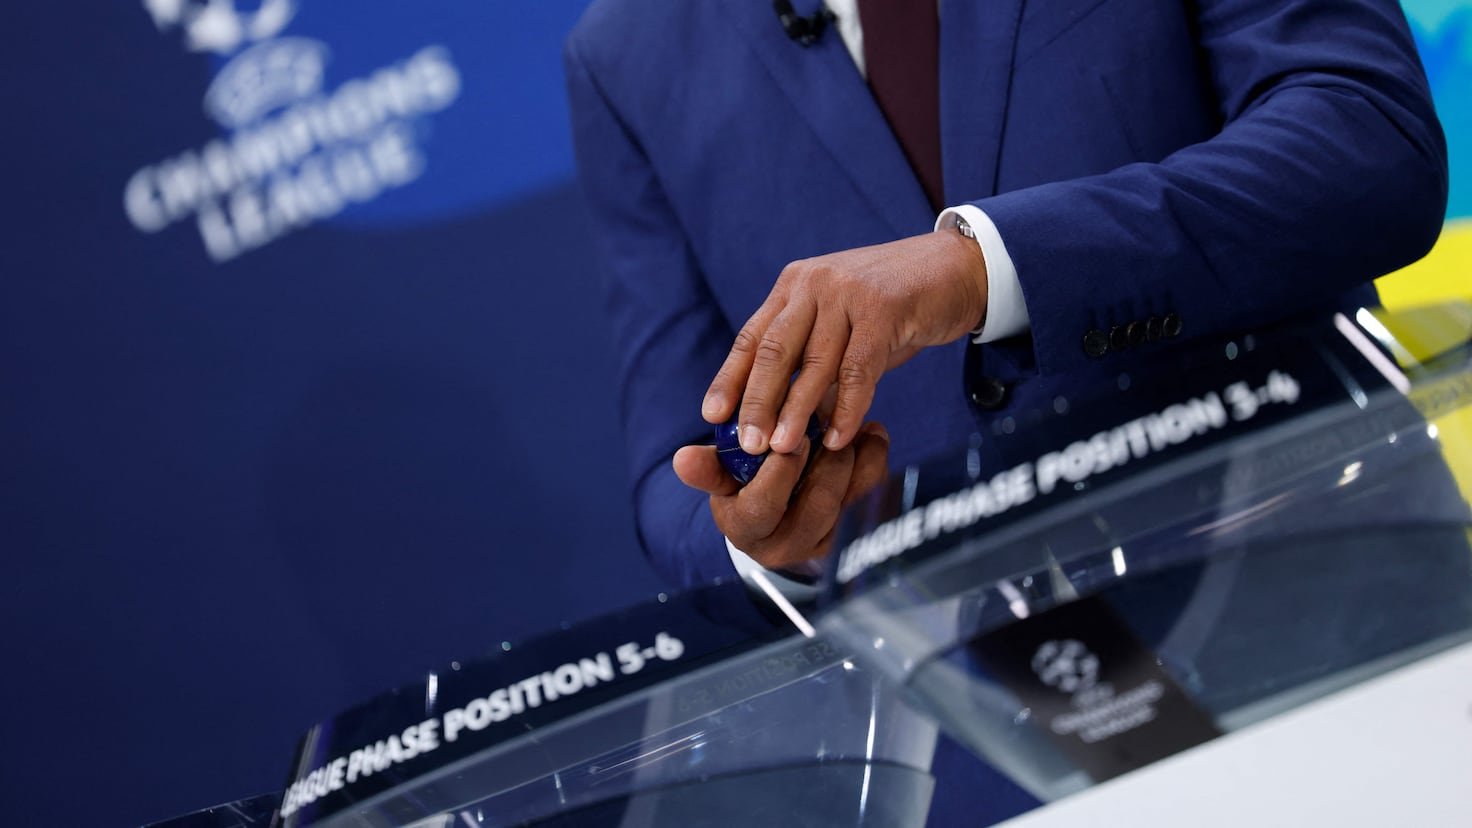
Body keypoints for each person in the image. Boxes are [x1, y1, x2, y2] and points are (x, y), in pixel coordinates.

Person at [564, 3, 1449, 819]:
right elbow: (676, 471)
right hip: (998, 751)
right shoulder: (625, 54)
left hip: (1343, 622)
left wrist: (985, 267)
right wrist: (778, 534)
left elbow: (1367, 138)